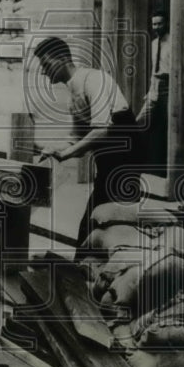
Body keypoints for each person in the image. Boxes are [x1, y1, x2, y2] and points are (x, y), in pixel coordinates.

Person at [33, 36, 140, 248]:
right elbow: (75, 138)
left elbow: (101, 131)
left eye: (46, 64)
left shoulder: (94, 79)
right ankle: (89, 266)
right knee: (95, 221)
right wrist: (54, 148)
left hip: (126, 160)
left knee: (109, 219)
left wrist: (68, 153)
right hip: (107, 165)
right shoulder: (73, 92)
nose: (44, 71)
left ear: (62, 58)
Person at [136, 10, 170, 177]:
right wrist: (150, 90)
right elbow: (153, 69)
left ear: (167, 24)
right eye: (154, 24)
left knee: (167, 128)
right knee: (140, 123)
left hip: (169, 88)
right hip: (155, 88)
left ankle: (165, 170)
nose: (156, 27)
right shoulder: (154, 43)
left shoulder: (173, 42)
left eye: (160, 23)